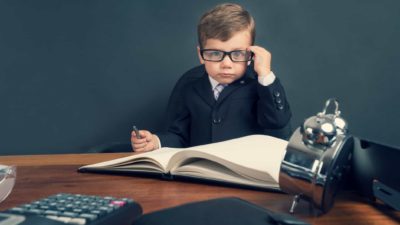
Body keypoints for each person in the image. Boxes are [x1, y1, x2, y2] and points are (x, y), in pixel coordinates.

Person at [131, 3, 292, 152]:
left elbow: (277, 122)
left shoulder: (259, 84)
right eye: (215, 53)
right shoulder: (189, 84)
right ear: (200, 55)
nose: (226, 64)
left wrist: (265, 74)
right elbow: (179, 136)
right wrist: (156, 141)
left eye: (237, 53)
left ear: (251, 54)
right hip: (200, 174)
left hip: (245, 175)